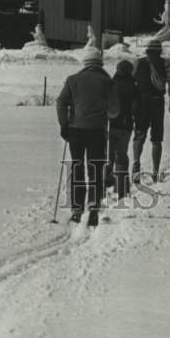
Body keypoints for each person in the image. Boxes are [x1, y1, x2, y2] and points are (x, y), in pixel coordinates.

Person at [56, 47, 119, 226]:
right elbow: (115, 111)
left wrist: (64, 124)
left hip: (75, 130)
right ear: (100, 63)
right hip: (97, 131)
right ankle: (93, 205)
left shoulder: (73, 80)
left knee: (77, 166)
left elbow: (61, 102)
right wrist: (106, 112)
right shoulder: (107, 82)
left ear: (85, 64)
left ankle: (76, 208)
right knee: (95, 168)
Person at [132, 40, 170, 183]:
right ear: (159, 51)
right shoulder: (167, 63)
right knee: (157, 139)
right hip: (157, 102)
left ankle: (136, 163)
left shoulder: (138, 63)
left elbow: (131, 82)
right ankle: (155, 171)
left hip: (141, 103)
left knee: (139, 134)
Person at [106, 58, 138, 200]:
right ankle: (121, 189)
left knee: (109, 154)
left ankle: (105, 184)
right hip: (126, 125)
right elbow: (136, 108)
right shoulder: (134, 87)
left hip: (110, 123)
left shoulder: (111, 85)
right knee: (121, 155)